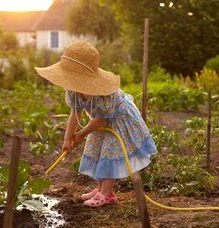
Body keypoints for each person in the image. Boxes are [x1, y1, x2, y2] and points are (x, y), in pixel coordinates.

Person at [35, 41, 157, 207]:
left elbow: (104, 118)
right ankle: (100, 189)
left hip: (118, 121)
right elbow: (75, 113)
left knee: (109, 152)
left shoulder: (104, 93)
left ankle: (107, 193)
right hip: (99, 122)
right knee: (96, 149)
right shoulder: (74, 90)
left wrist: (81, 134)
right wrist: (67, 138)